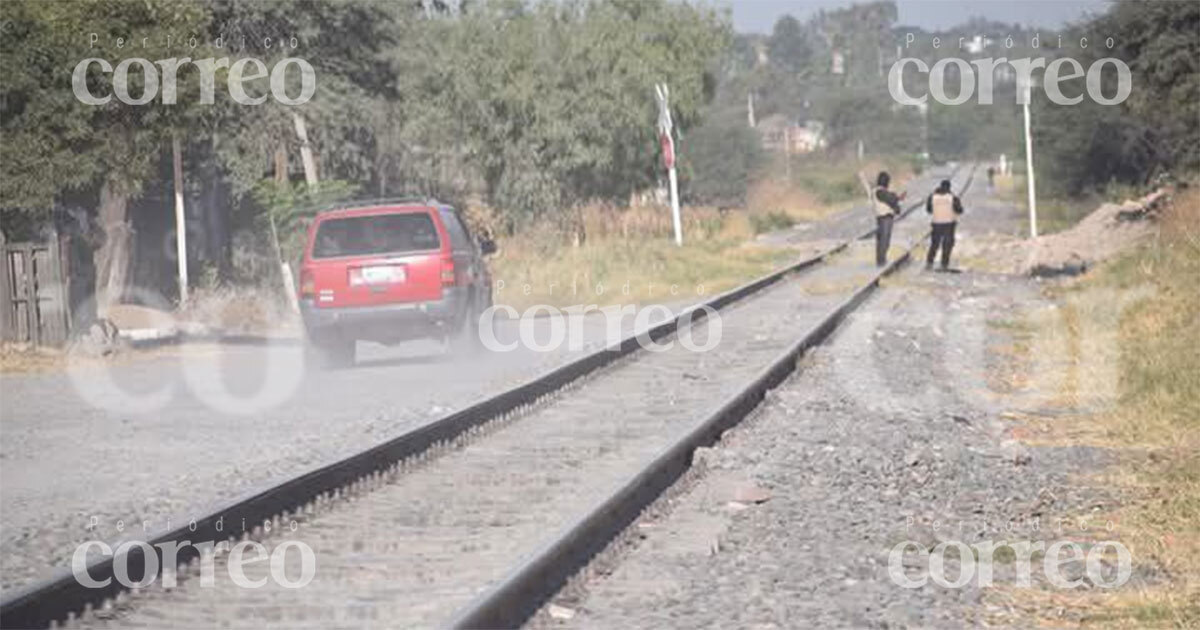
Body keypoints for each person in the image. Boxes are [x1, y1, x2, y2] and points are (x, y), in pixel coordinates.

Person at [925, 179, 964, 271]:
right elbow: (959, 210)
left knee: (934, 244)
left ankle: (929, 262)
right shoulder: (953, 197)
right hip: (949, 224)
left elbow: (929, 210)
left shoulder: (932, 197)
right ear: (949, 187)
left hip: (936, 223)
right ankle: (944, 264)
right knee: (947, 245)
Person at [873, 171, 905, 266]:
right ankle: (881, 260)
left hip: (884, 218)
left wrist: (897, 198)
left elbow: (891, 198)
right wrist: (897, 198)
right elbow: (891, 199)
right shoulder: (880, 191)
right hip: (884, 218)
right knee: (884, 239)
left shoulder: (880, 191)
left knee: (883, 239)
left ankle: (881, 259)